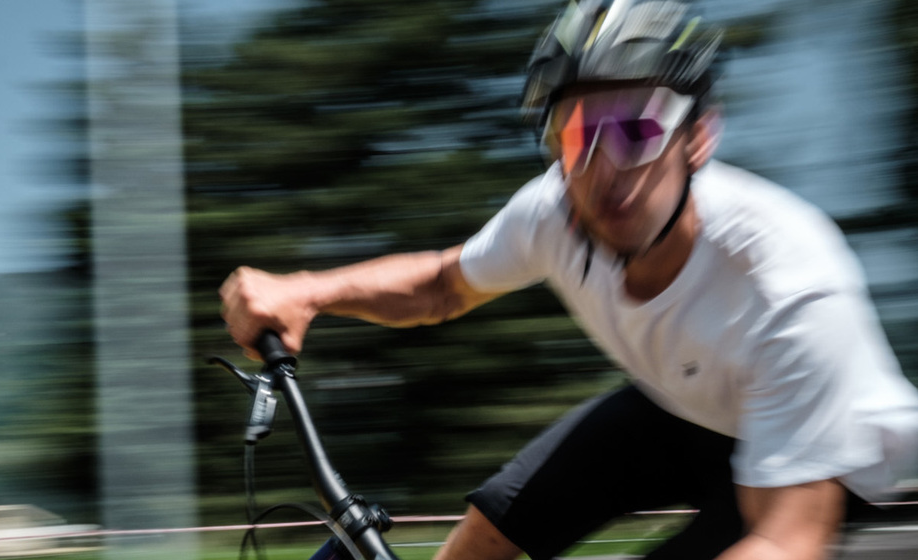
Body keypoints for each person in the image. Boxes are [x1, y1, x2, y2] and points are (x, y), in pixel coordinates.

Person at [219, 1, 918, 558]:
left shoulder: (788, 280)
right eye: (577, 132)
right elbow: (439, 286)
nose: (604, 164)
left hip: (827, 451)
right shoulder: (553, 212)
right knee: (487, 531)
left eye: (637, 129)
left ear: (698, 138)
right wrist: (305, 291)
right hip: (685, 403)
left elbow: (786, 539)